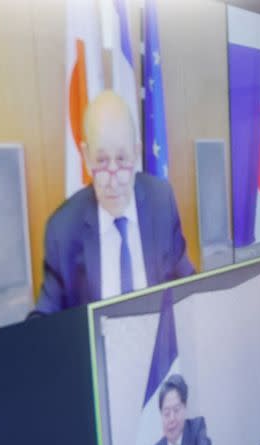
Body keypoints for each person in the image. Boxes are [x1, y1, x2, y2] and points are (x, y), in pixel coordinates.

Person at [33, 90, 194, 315]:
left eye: (121, 159)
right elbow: (45, 321)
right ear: (86, 156)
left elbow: (189, 287)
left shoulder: (161, 202)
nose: (113, 179)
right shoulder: (62, 229)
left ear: (136, 152)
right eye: (101, 161)